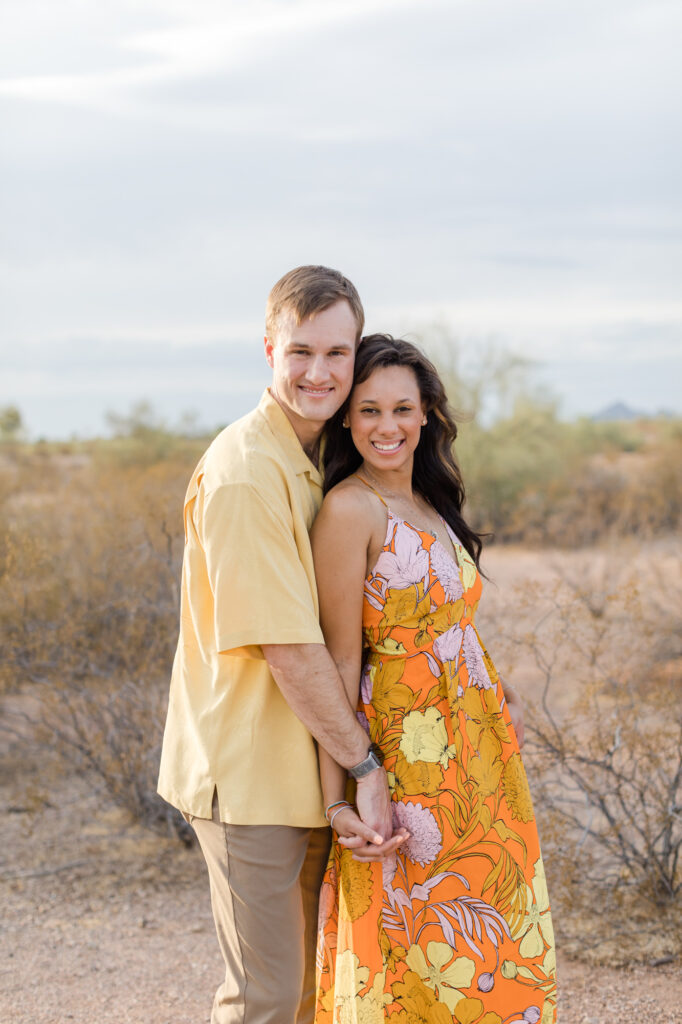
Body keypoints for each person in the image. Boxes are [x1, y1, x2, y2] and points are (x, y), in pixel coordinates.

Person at [157, 269, 405, 1024]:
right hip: (247, 777)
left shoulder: (317, 460)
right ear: (269, 349)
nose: (319, 372)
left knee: (306, 992)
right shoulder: (247, 472)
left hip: (304, 774)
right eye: (301, 351)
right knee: (263, 998)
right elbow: (290, 649)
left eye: (338, 353)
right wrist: (364, 767)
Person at [311, 335, 557, 1024]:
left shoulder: (430, 498)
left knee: (488, 911)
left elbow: (454, 626)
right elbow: (340, 661)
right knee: (414, 927)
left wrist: (494, 697)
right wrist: (343, 797)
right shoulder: (349, 511)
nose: (387, 427)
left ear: (426, 416)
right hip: (408, 755)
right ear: (347, 421)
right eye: (368, 411)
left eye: (402, 409)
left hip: (479, 751)